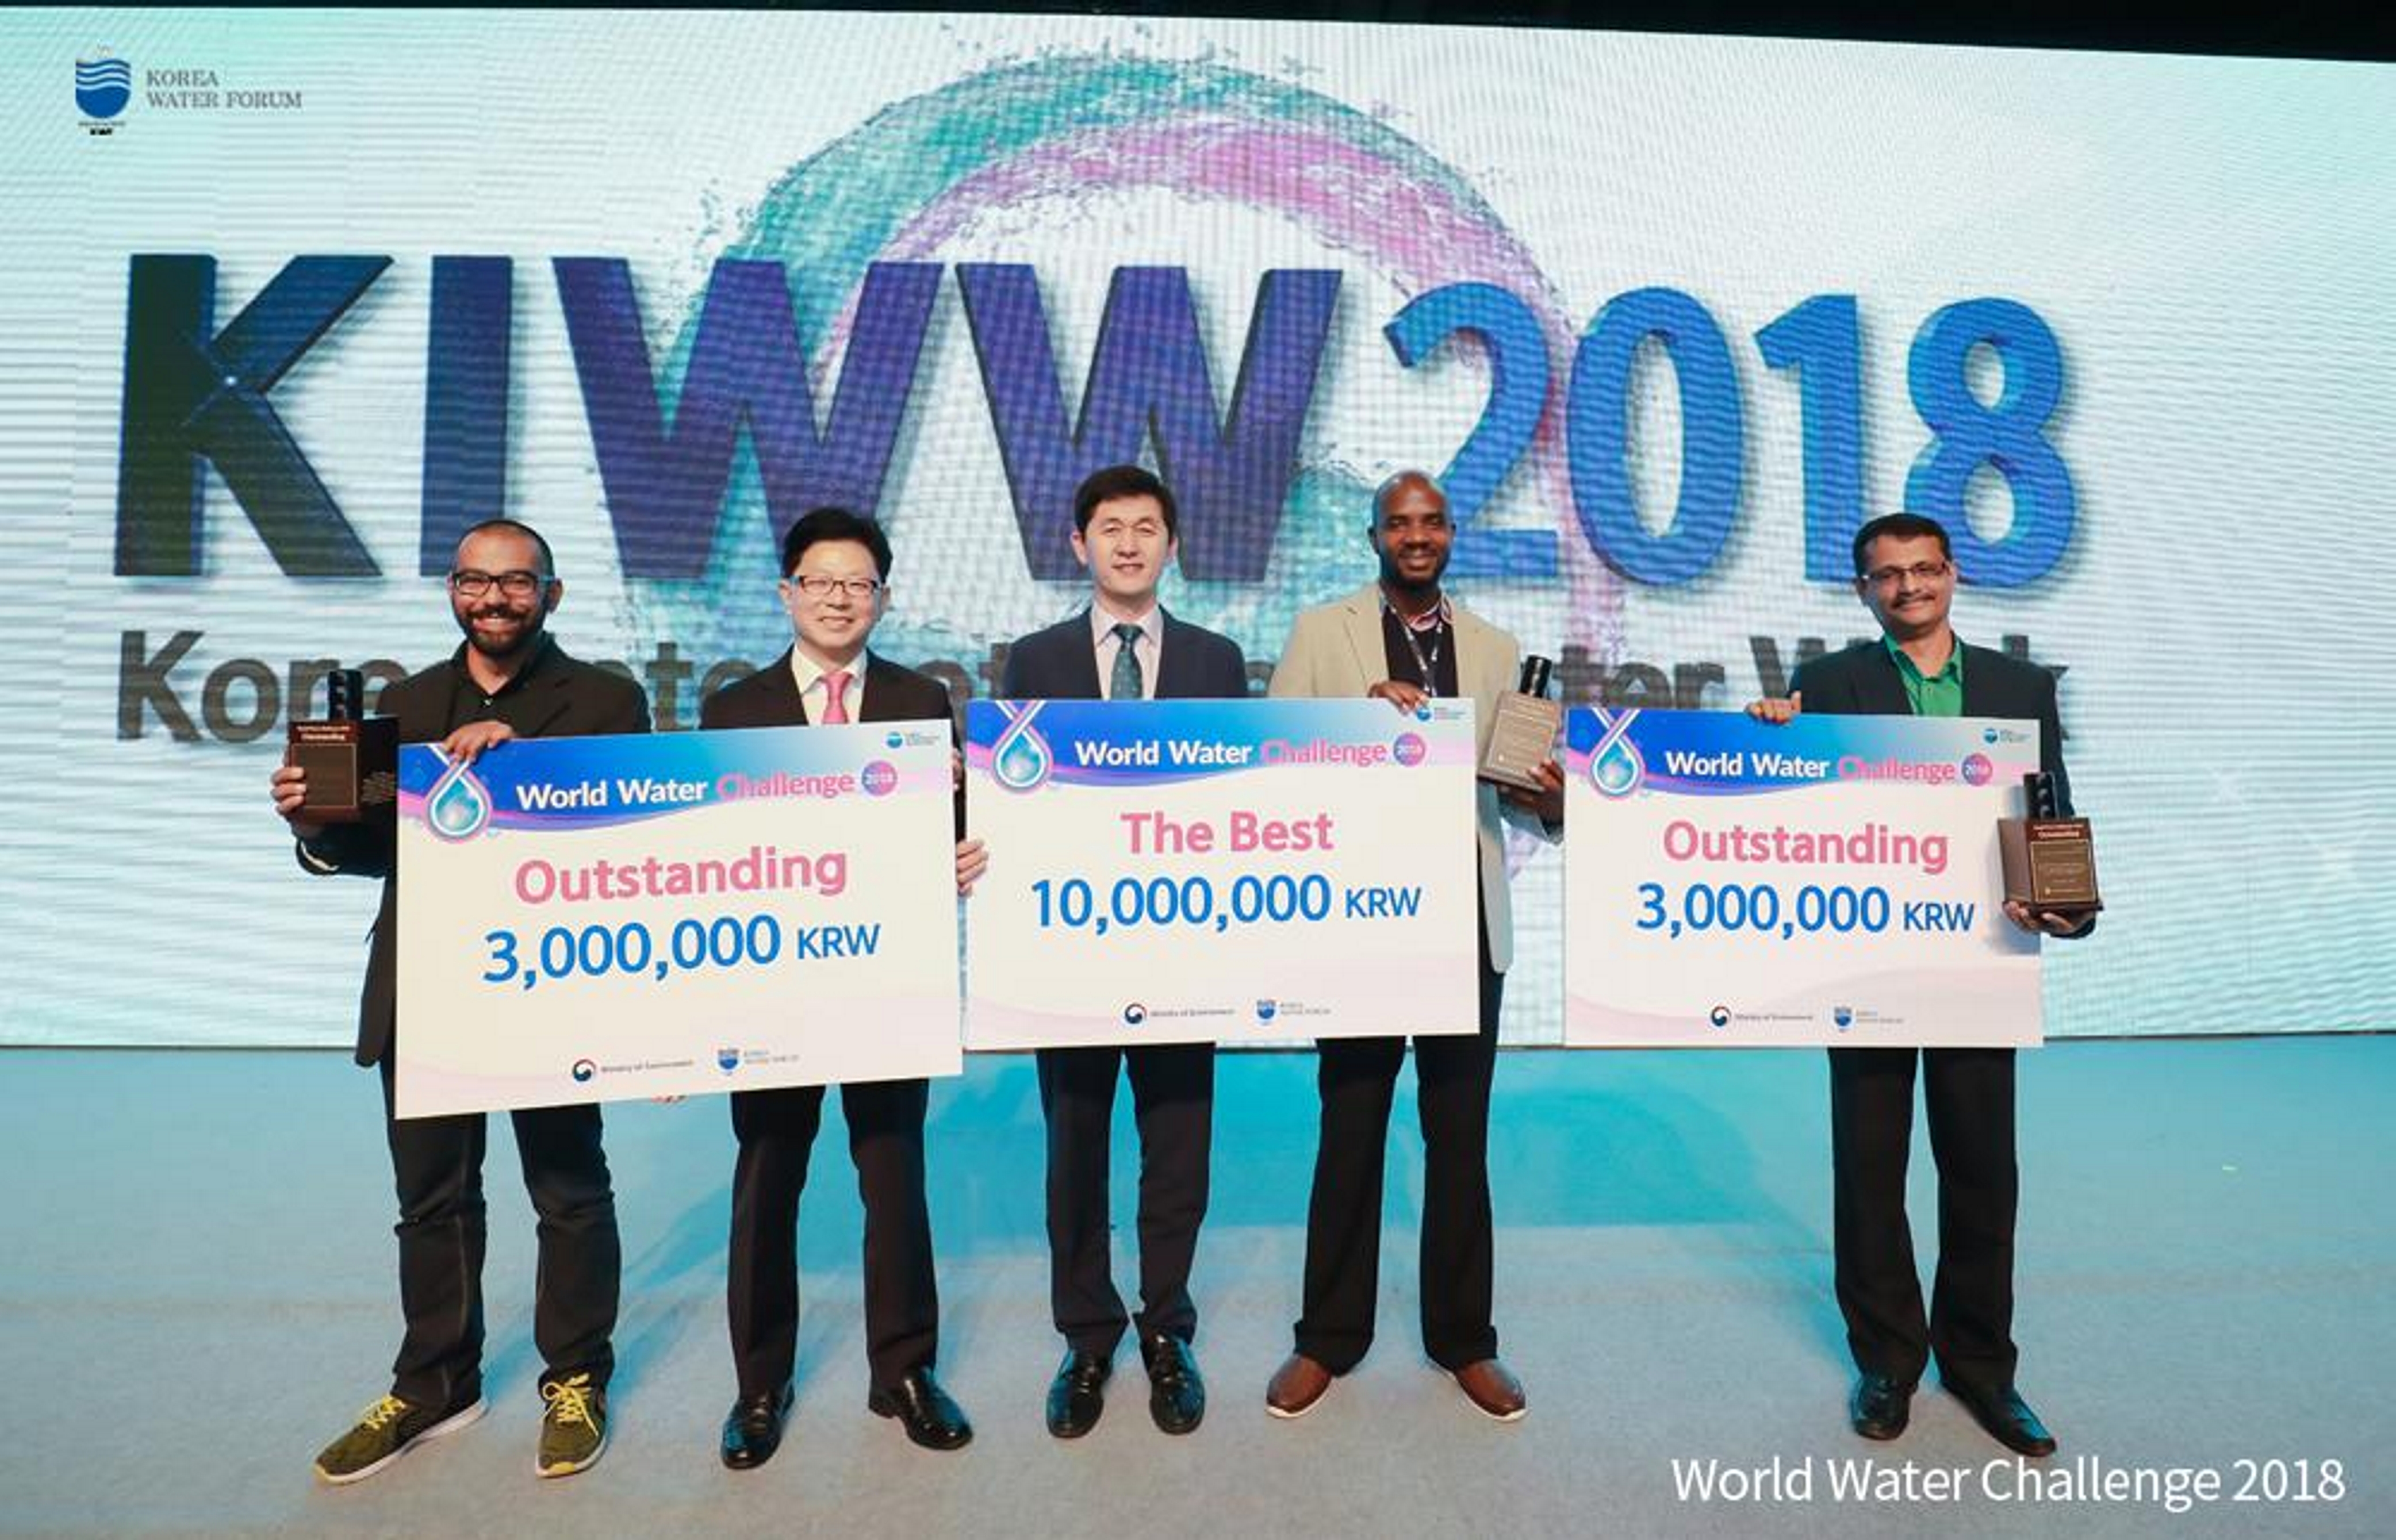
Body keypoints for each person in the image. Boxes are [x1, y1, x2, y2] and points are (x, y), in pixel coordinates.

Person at [270, 519, 648, 1484]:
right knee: (430, 1199)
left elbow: (631, 835)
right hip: (426, 986)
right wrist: (314, 824)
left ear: (551, 595)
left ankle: (575, 1376)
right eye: (476, 582)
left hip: (551, 979)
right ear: (452, 590)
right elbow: (364, 853)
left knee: (568, 1189)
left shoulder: (607, 699)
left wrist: (520, 765)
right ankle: (436, 1382)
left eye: (517, 584)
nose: (494, 599)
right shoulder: (402, 702)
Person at [1747, 510, 2091, 1459]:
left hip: (1980, 963)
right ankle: (1889, 1362)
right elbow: (1790, 820)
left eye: (1925, 569)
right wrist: (1777, 734)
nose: (1909, 588)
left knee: (1983, 1174)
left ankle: (1983, 1369)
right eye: (1888, 576)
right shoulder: (1826, 684)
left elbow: (2048, 808)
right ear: (1864, 590)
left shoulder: (2021, 687)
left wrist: (2070, 906)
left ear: (1953, 575)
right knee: (1869, 1171)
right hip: (1870, 964)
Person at [1262, 470, 1561, 1422]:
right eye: (1401, 524)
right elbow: (1271, 761)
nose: (1417, 537)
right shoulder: (1324, 631)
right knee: (1349, 1132)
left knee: (1459, 1138)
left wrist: (1548, 795)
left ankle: (1465, 1341)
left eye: (1432, 523)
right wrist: (1358, 719)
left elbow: (1529, 801)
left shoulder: (1496, 646)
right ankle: (1327, 1339)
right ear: (1375, 535)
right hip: (1359, 917)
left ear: (1452, 534)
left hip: (1465, 923)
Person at [707, 506, 986, 1467]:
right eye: (820, 582)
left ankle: (903, 1369)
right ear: (786, 592)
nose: (838, 598)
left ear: (883, 598)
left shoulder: (920, 700)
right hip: (773, 987)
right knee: (767, 1179)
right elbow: (699, 860)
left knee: (894, 1173)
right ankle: (758, 1383)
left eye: (858, 584)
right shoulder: (733, 708)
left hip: (883, 980)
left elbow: (950, 832)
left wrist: (959, 837)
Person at [999, 464, 1249, 1438]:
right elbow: (1015, 806)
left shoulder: (1220, 661)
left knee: (1178, 1145)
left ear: (1173, 545)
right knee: (1076, 1148)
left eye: (1149, 527)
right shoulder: (1035, 660)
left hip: (1185, 948)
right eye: (1111, 527)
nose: (1131, 543)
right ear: (1079, 545)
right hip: (1069, 955)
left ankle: (1167, 1330)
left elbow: (1240, 806)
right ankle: (1089, 1334)